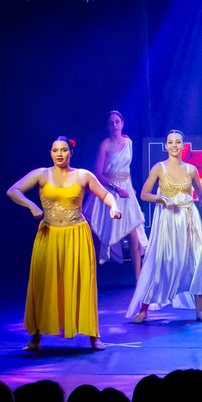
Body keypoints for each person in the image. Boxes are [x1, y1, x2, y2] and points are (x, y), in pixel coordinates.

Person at [7, 137, 120, 351]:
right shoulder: (42, 174)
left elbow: (106, 195)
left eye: (64, 150)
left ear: (71, 152)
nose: (59, 154)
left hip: (77, 235)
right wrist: (31, 206)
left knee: (82, 284)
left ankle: (93, 336)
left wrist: (113, 207)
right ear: (51, 153)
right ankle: (35, 338)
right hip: (48, 235)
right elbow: (13, 190)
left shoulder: (83, 175)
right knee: (43, 284)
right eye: (55, 150)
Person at [127, 130, 202, 323]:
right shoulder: (159, 168)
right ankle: (143, 311)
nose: (174, 145)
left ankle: (199, 311)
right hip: (168, 220)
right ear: (165, 145)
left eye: (178, 142)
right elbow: (144, 194)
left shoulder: (191, 170)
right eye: (170, 142)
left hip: (189, 220)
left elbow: (201, 195)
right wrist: (161, 199)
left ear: (183, 145)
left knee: (197, 261)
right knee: (160, 261)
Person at [85, 110, 147, 279]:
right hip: (109, 190)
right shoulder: (104, 145)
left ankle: (138, 278)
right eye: (111, 123)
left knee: (133, 235)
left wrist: (130, 187)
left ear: (122, 123)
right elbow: (98, 174)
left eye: (117, 122)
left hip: (126, 192)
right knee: (100, 234)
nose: (114, 125)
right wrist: (116, 188)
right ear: (107, 126)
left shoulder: (129, 142)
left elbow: (127, 170)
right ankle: (92, 276)